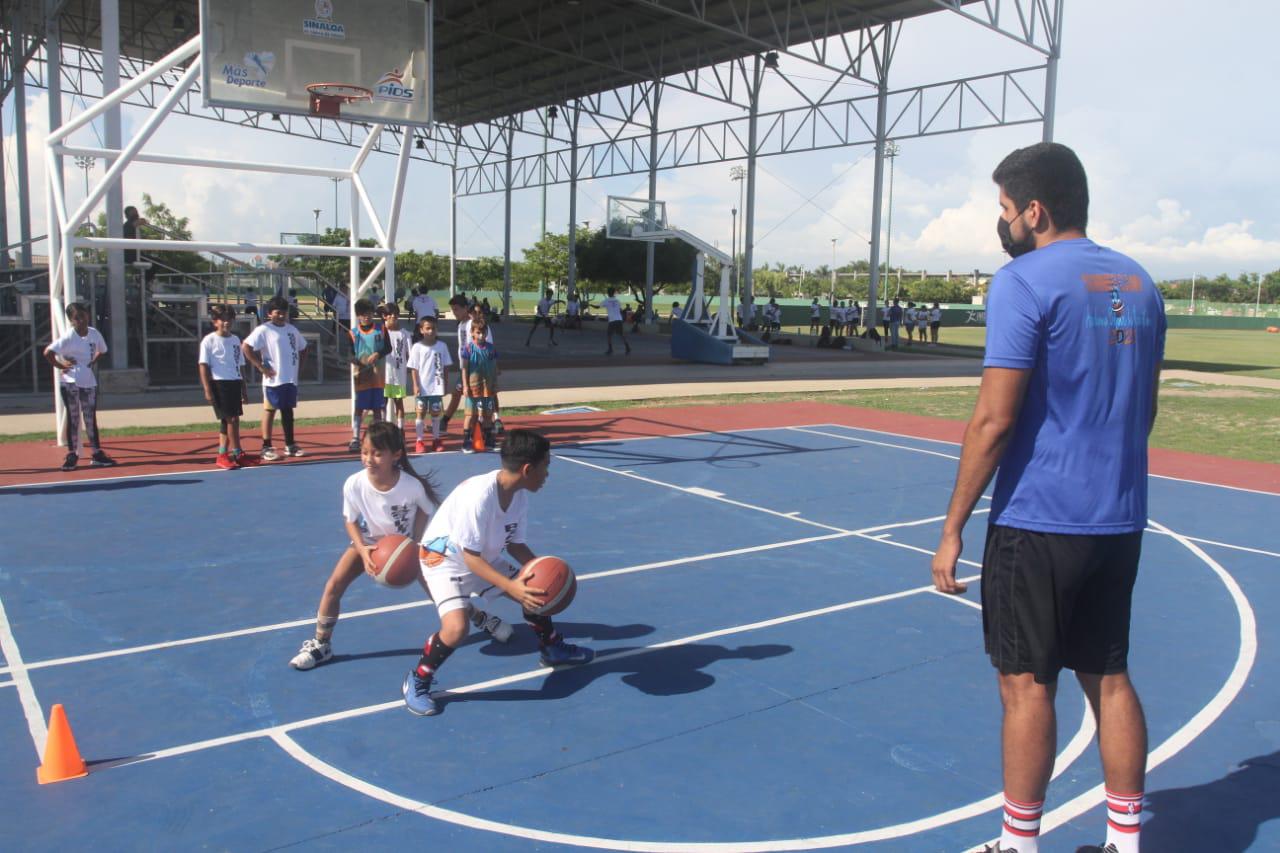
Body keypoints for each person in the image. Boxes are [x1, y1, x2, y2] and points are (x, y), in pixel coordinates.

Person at [930, 142, 1166, 853]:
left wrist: (952, 526)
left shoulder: (1023, 281)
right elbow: (1144, 409)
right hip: (1118, 516)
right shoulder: (1140, 282)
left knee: (1026, 685)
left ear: (1035, 211)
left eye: (1004, 209)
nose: (1000, 223)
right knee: (1110, 676)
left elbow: (994, 419)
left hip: (1038, 520)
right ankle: (1125, 843)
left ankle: (1019, 842)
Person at [289, 421, 511, 672]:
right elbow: (349, 520)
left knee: (442, 594)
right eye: (364, 452)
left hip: (408, 548)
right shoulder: (354, 483)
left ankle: (481, 618)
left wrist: (415, 544)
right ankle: (321, 644)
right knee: (334, 585)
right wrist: (361, 549)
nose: (368, 459)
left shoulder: (410, 486)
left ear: (396, 455)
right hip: (370, 543)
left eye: (376, 453)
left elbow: (428, 512)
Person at [402, 429, 593, 716]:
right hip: (443, 559)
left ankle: (551, 648)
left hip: (480, 556)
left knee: (536, 588)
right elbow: (471, 559)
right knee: (456, 630)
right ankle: (418, 680)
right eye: (546, 467)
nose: (547, 475)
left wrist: (545, 572)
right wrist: (513, 587)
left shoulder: (518, 495)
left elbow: (516, 546)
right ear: (528, 469)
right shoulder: (479, 497)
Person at [44, 302, 117, 471]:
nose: (81, 320)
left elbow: (103, 350)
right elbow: (48, 352)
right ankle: (72, 454)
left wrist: (92, 362)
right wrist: (61, 365)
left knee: (90, 418)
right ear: (71, 320)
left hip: (89, 382)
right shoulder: (68, 338)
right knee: (74, 417)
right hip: (70, 383)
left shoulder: (94, 334)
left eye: (83, 316)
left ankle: (97, 453)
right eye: (77, 318)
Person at [242, 295, 308, 462]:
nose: (281, 315)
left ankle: (290, 444)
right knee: (270, 411)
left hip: (290, 379)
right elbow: (246, 347)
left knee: (288, 411)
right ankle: (266, 446)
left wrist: (299, 369)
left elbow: (304, 348)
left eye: (284, 312)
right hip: (274, 380)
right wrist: (261, 367)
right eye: (278, 312)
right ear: (270, 313)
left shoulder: (292, 329)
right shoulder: (264, 330)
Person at [198, 303, 252, 470]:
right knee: (232, 420)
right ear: (215, 322)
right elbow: (203, 365)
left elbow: (240, 365)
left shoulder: (235, 340)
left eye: (229, 319)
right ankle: (237, 452)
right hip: (219, 383)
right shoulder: (209, 340)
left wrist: (244, 388)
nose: (226, 323)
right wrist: (207, 389)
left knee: (227, 421)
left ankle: (222, 454)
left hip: (234, 382)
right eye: (222, 320)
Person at [348, 299, 392, 453]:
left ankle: (377, 438)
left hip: (378, 375)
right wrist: (359, 362)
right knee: (359, 407)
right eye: (362, 314)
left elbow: (388, 348)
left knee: (378, 408)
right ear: (358, 316)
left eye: (368, 314)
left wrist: (377, 354)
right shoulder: (353, 333)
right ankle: (355, 438)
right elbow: (350, 354)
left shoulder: (381, 329)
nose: (366, 317)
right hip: (362, 375)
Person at [408, 314, 452, 454]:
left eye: (433, 328)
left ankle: (436, 439)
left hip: (436, 387)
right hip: (422, 387)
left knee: (435, 414)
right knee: (420, 413)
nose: (431, 331)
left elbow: (446, 366)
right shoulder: (417, 347)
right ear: (421, 330)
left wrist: (445, 384)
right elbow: (414, 368)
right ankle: (419, 440)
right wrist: (415, 385)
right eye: (427, 328)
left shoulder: (442, 346)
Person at [459, 315, 498, 454]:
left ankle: (488, 438)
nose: (481, 335)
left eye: (483, 332)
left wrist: (495, 384)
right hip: (473, 386)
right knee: (471, 415)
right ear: (472, 333)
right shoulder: (468, 349)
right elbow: (464, 368)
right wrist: (465, 386)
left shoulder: (491, 349)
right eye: (478, 332)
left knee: (487, 414)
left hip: (488, 387)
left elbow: (494, 367)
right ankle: (466, 440)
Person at [380, 302, 412, 435]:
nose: (393, 316)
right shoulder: (380, 332)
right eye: (390, 314)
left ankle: (400, 429)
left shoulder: (404, 334)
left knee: (399, 402)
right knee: (383, 404)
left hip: (399, 375)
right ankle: (383, 429)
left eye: (395, 313)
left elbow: (410, 355)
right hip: (384, 375)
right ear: (384, 316)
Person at [602, 287, 631, 355]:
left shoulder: (606, 300)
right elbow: (620, 310)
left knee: (609, 335)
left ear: (608, 293)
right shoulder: (617, 301)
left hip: (612, 320)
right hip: (619, 319)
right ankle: (627, 347)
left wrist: (590, 305)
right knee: (621, 334)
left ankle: (610, 349)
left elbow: (597, 307)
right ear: (613, 293)